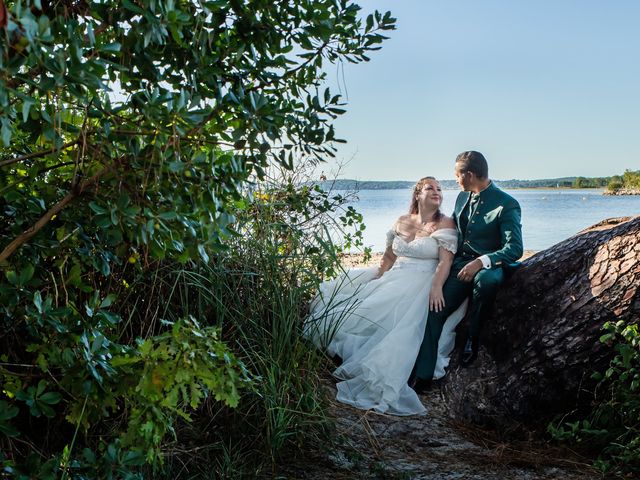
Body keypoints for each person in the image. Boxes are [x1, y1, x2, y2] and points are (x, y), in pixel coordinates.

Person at [304, 177, 467, 415]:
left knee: (398, 327)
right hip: (396, 275)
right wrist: (379, 276)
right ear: (417, 194)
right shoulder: (402, 221)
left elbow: (445, 262)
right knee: (360, 309)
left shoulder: (445, 223)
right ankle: (343, 354)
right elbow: (389, 257)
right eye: (430, 188)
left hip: (421, 281)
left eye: (440, 189)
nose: (437, 192)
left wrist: (436, 287)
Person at [411, 151, 523, 393]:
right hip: (459, 264)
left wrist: (482, 261)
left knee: (487, 282)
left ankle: (473, 337)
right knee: (435, 308)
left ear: (470, 174)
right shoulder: (462, 197)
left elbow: (515, 248)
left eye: (457, 175)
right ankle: (423, 375)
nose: (455, 179)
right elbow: (452, 229)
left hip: (490, 266)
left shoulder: (507, 204)